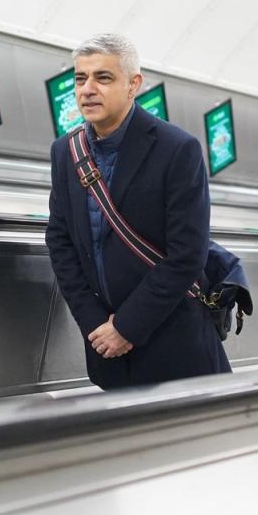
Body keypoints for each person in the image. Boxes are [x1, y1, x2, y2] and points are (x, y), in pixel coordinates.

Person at [45, 33, 231, 389]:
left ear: (133, 85)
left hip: (176, 347)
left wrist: (125, 327)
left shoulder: (177, 149)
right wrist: (95, 324)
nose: (87, 89)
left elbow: (186, 256)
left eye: (103, 78)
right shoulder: (65, 152)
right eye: (80, 78)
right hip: (107, 351)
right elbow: (60, 240)